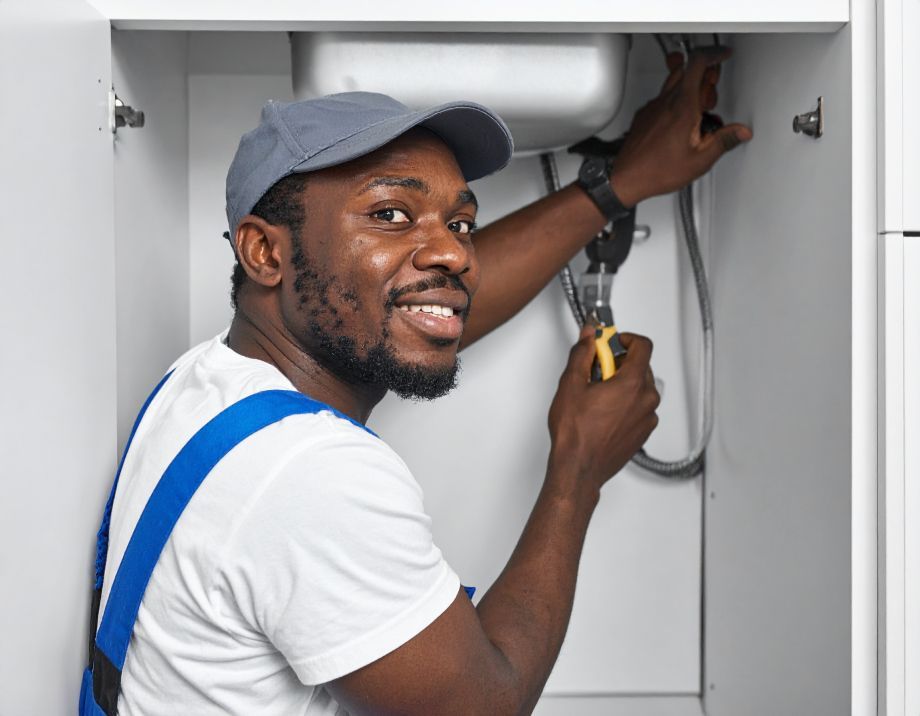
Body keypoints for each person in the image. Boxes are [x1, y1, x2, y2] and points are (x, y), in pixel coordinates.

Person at [87, 48, 751, 715]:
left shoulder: (207, 381)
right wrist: (577, 469)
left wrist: (616, 186)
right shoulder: (311, 477)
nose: (456, 254)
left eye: (460, 223)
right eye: (390, 215)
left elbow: (400, 300)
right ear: (266, 253)